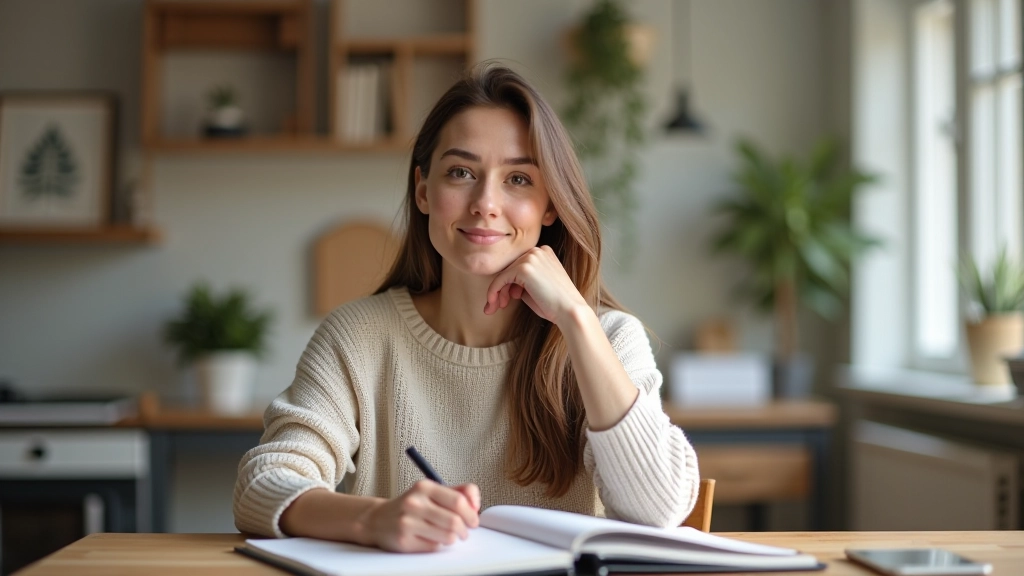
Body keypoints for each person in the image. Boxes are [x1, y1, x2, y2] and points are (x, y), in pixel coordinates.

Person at [233, 65, 700, 553]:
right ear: (423, 190)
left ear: (550, 205)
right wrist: (372, 519)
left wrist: (577, 319)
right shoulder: (358, 337)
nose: (485, 203)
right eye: (461, 173)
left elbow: (660, 508)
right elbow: (261, 485)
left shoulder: (610, 337)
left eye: (518, 178)